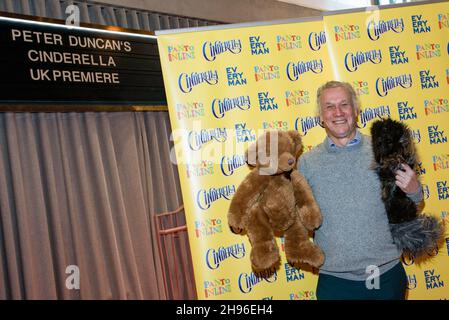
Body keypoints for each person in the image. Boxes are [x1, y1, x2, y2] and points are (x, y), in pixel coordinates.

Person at [298, 81, 422, 300]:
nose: (338, 112)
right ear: (321, 117)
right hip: (335, 280)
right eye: (329, 106)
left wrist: (414, 190)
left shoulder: (385, 151)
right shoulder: (307, 163)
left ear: (356, 110)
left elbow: (413, 203)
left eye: (344, 104)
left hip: (385, 274)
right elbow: (297, 218)